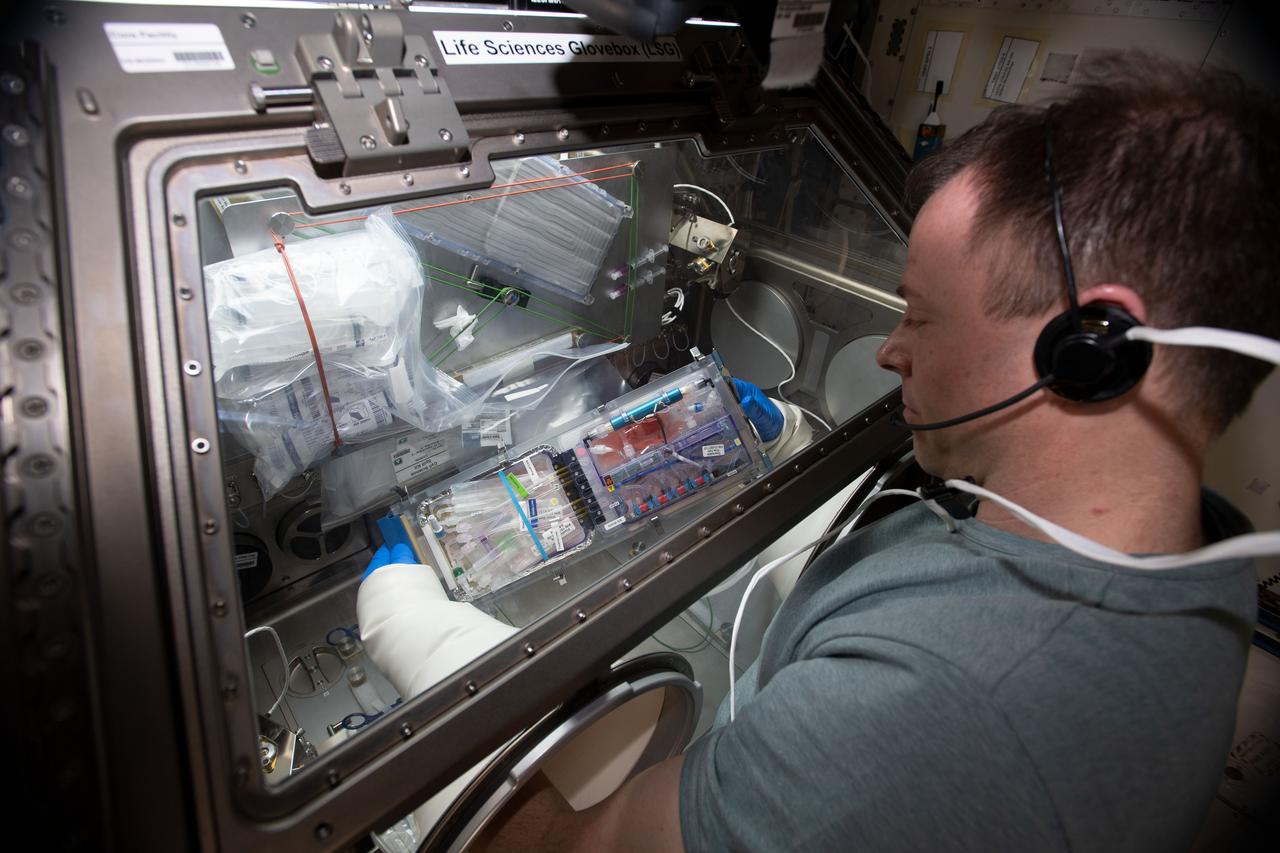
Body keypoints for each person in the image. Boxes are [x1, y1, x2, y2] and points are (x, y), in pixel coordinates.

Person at [367, 51, 1280, 850]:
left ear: (1089, 347)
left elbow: (565, 848)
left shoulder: (925, 714)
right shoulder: (1193, 553)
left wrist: (417, 635)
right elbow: (934, 573)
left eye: (921, 314)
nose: (891, 349)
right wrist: (783, 446)